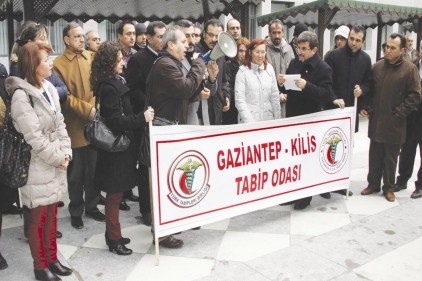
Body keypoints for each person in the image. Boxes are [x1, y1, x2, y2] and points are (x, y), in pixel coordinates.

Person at [6, 42, 73, 281]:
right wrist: (58, 158)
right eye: (45, 60)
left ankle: (53, 259)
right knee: (38, 219)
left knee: (52, 215)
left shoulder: (49, 88)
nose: (50, 63)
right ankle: (40, 265)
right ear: (32, 65)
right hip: (36, 164)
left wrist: (66, 153)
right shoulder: (21, 97)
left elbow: (61, 124)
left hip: (54, 160)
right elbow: (34, 137)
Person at [90, 41, 154, 255]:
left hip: (120, 150)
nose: (122, 63)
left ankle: (113, 234)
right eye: (118, 60)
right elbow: (115, 121)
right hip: (115, 151)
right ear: (109, 63)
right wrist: (140, 119)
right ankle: (114, 239)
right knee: (114, 195)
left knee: (116, 194)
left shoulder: (113, 82)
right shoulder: (109, 87)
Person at [147, 26, 206, 247]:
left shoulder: (172, 63)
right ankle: (161, 233)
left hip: (169, 127)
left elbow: (189, 90)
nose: (187, 45)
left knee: (168, 181)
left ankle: (167, 226)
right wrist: (199, 64)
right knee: (164, 182)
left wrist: (202, 75)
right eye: (183, 41)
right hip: (164, 129)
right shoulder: (165, 64)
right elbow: (184, 88)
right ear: (170, 44)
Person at [54, 22, 105, 229]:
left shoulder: (91, 58)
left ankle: (92, 207)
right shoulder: (58, 64)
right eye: (76, 37)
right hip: (74, 125)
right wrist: (87, 110)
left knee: (93, 170)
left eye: (82, 36)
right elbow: (64, 97)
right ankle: (76, 209)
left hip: (94, 125)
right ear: (67, 39)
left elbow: (99, 87)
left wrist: (97, 108)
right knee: (75, 174)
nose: (82, 39)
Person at [360, 33, 421, 202]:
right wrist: (367, 107)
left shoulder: (410, 69)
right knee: (375, 155)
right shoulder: (377, 66)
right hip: (377, 120)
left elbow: (415, 95)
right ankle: (373, 184)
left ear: (402, 50)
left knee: (391, 158)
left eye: (392, 48)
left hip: (395, 123)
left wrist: (400, 112)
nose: (388, 50)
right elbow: (370, 91)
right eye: (387, 46)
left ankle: (388, 188)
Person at [281, 31, 335, 210]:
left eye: (304, 49)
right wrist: (283, 82)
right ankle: (291, 193)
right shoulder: (295, 63)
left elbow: (326, 95)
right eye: (298, 48)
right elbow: (288, 87)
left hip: (310, 120)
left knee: (306, 160)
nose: (300, 52)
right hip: (292, 117)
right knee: (291, 159)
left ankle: (305, 196)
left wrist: (307, 86)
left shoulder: (324, 68)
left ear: (314, 49)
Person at [322, 25, 373, 198]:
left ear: (363, 42)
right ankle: (323, 185)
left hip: (350, 113)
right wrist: (334, 98)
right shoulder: (333, 56)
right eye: (351, 38)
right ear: (348, 37)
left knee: (345, 148)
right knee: (328, 149)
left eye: (358, 40)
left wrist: (362, 91)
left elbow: (369, 82)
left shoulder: (366, 59)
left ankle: (340, 183)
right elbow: (326, 82)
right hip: (332, 111)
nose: (353, 43)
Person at [125, 21, 166, 221]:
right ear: (148, 38)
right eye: (159, 36)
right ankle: (146, 209)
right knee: (146, 164)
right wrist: (151, 104)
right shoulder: (138, 59)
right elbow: (132, 90)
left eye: (165, 36)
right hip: (146, 117)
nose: (163, 40)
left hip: (165, 119)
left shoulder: (167, 57)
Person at [394, 39, 422, 199]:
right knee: (407, 149)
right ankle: (402, 179)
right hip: (412, 115)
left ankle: (420, 185)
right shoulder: (413, 66)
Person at [176, 19, 217, 126]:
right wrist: (198, 95)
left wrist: (212, 79)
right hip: (186, 120)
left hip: (203, 118)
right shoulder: (174, 61)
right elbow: (179, 92)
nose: (192, 40)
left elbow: (210, 92)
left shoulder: (198, 57)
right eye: (187, 36)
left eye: (193, 35)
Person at [235, 38, 281, 123]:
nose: (260, 55)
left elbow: (274, 96)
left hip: (268, 119)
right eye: (257, 52)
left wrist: (278, 120)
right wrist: (251, 123)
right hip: (249, 121)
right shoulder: (242, 72)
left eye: (263, 52)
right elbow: (239, 100)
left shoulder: (269, 69)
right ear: (250, 52)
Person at [195, 18, 229, 125]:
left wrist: (226, 96)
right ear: (204, 33)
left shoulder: (221, 54)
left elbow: (224, 80)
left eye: (217, 36)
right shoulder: (195, 52)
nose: (214, 39)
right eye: (210, 35)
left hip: (217, 108)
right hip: (200, 110)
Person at [266, 19, 295, 118]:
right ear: (269, 33)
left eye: (279, 32)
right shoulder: (264, 49)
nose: (277, 35)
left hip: (287, 99)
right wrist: (277, 93)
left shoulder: (289, 49)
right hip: (269, 98)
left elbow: (293, 71)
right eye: (274, 33)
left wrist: (288, 93)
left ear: (283, 32)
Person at [222, 37, 250, 124]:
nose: (243, 54)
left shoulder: (251, 66)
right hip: (233, 106)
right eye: (241, 51)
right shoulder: (228, 65)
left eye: (246, 51)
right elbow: (227, 85)